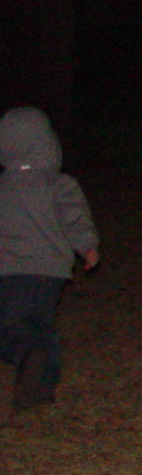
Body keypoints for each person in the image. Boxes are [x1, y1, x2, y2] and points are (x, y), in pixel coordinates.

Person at [1, 107, 100, 409]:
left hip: (12, 271)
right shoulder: (59, 183)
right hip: (51, 272)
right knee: (38, 322)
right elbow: (75, 218)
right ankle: (41, 382)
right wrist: (88, 246)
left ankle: (31, 357)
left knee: (13, 327)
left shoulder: (4, 188)